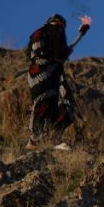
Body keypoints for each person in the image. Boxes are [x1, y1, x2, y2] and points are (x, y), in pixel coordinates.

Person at [25, 14, 75, 150]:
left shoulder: (46, 33)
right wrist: (61, 56)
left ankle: (53, 139)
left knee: (63, 104)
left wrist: (63, 55)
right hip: (43, 73)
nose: (61, 29)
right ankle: (35, 140)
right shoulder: (47, 31)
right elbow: (47, 53)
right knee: (45, 103)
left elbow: (55, 54)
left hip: (50, 74)